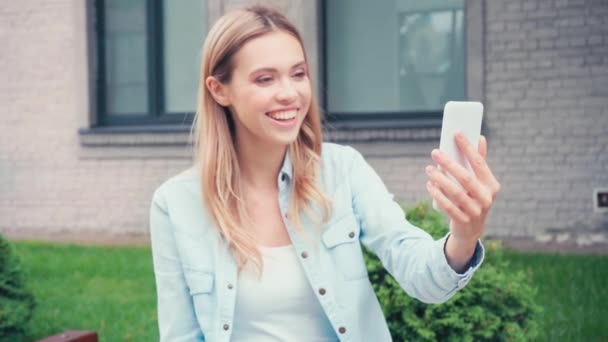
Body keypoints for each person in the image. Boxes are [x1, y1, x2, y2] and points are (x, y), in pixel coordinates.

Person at [149, 5, 501, 342]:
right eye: (265, 79)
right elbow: (181, 335)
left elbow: (420, 274)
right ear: (219, 89)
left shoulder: (342, 169)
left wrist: (463, 237)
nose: (289, 93)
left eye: (298, 74)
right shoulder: (175, 204)